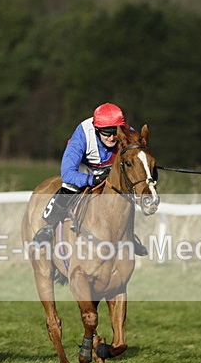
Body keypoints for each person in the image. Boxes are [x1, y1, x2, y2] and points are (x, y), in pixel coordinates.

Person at [32, 102, 147, 256]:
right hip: (85, 168)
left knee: (126, 195)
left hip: (112, 169)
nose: (112, 137)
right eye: (106, 132)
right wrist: (91, 180)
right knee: (70, 187)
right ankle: (49, 226)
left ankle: (130, 236)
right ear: (96, 129)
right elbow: (67, 173)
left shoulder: (128, 133)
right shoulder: (82, 134)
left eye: (115, 131)